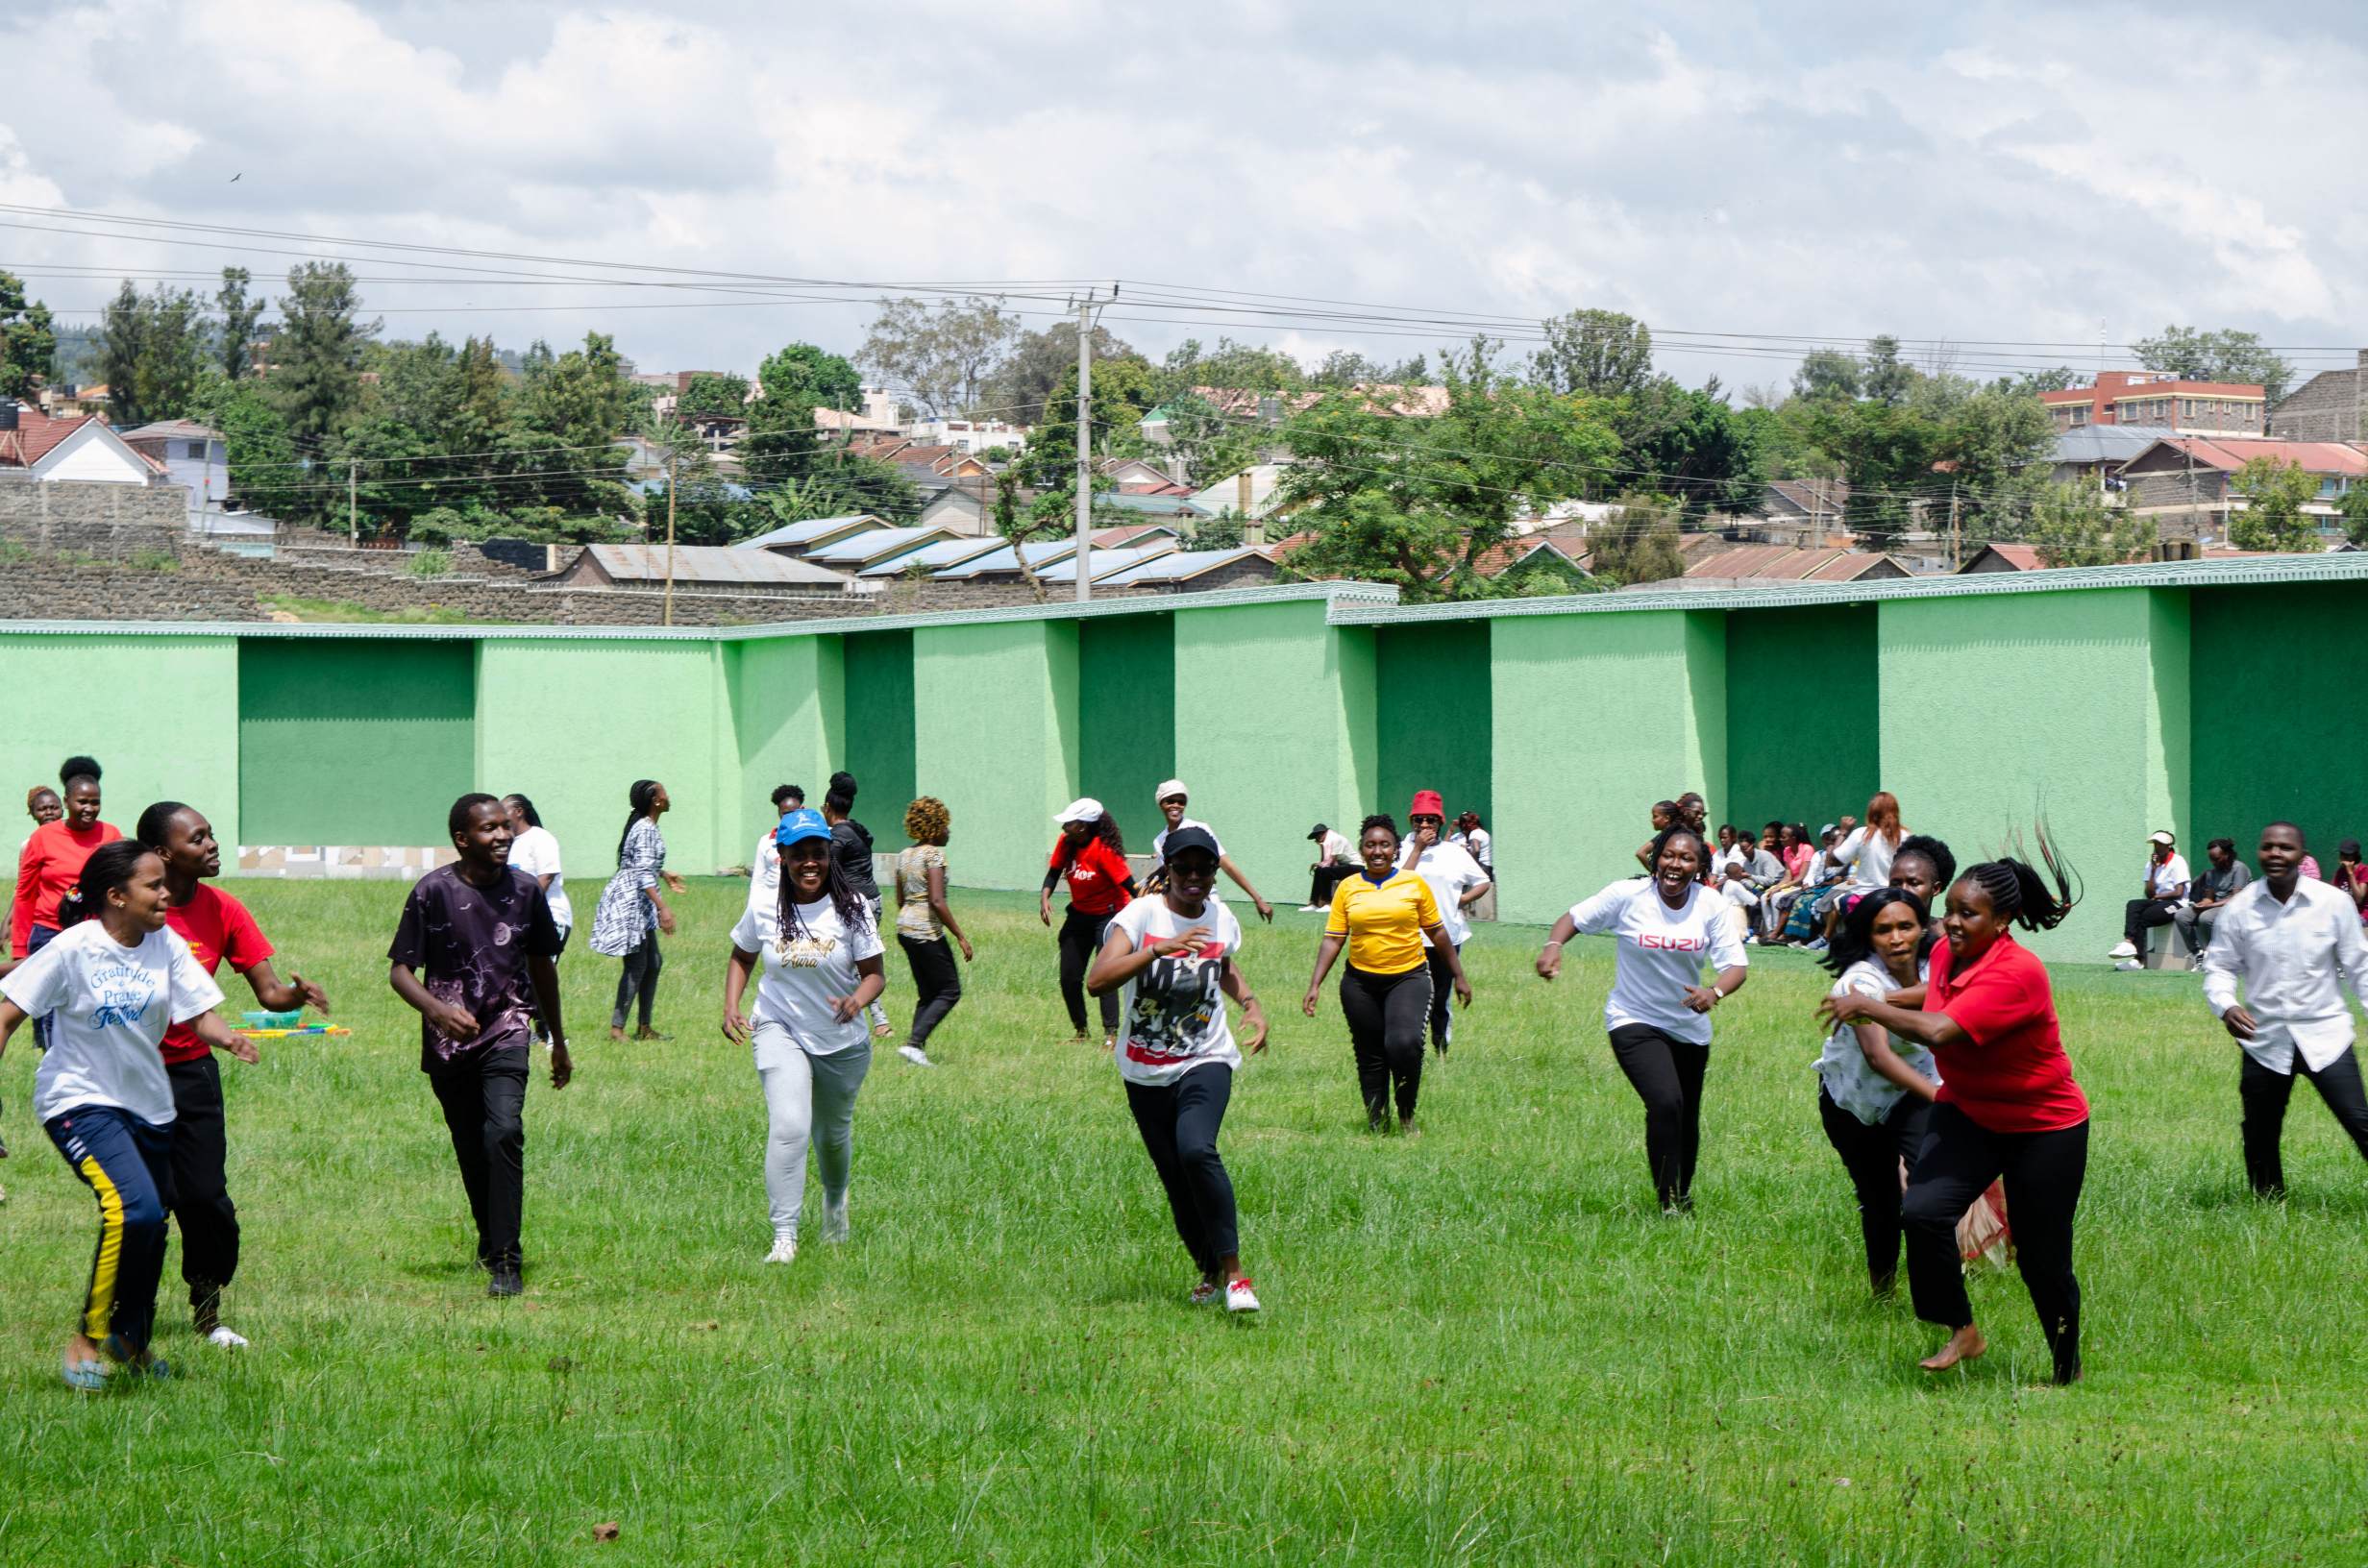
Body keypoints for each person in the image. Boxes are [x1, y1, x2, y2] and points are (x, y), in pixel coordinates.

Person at [1822, 844, 2089, 1384]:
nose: (1952, 922)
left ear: (2003, 920)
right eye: (1952, 910)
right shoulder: (1947, 951)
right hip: (1967, 1110)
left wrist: (1870, 1006)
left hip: (2042, 1126)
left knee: (2041, 1258)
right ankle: (1961, 1328)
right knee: (1921, 1212)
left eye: (1969, 914)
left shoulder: (2018, 972)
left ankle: (2066, 1370)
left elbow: (1943, 1028)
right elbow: (1934, 993)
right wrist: (1889, 1000)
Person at [0, 840, 259, 1386]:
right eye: (154, 885)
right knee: (131, 1212)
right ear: (116, 896)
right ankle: (86, 1342)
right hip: (78, 1101)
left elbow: (198, 1014)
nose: (167, 894)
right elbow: (6, 1017)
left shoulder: (163, 944)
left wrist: (229, 1039)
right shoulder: (74, 948)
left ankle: (132, 1341)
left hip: (151, 1107)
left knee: (151, 1227)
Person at [136, 801, 331, 1350]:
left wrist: (295, 996)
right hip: (128, 1076)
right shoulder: (134, 907)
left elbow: (267, 992)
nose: (211, 845)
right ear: (161, 853)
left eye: (210, 835)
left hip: (191, 1073)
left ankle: (207, 1314)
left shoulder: (224, 909)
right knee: (145, 1205)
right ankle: (132, 1314)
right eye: (197, 838)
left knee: (205, 1199)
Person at [389, 795, 570, 1297]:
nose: (502, 836)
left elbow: (541, 967)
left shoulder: (526, 892)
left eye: (506, 826)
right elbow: (401, 971)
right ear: (462, 840)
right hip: (449, 1040)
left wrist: (554, 1038)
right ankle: (490, 1242)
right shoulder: (433, 891)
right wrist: (437, 1011)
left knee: (504, 1132)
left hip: (509, 1026)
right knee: (471, 1145)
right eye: (489, 829)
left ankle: (508, 1261)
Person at [1086, 824, 1270, 1312]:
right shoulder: (1140, 915)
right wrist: (1155, 949)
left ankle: (1235, 1276)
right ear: (1166, 869)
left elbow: (1222, 962)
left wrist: (1250, 1003)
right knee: (1174, 1177)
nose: (1193, 876)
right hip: (1145, 1070)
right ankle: (1207, 1271)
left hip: (1206, 1056)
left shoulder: (1222, 917)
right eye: (1183, 867)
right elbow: (1097, 980)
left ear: (1214, 874)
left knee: (1196, 1150)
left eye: (1203, 869)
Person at [1537, 823, 1748, 1213]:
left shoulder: (1710, 904)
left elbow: (1736, 965)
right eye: (1668, 855)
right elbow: (1573, 917)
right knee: (1666, 1102)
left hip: (1689, 1025)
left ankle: (1683, 1196)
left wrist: (1713, 992)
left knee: (1687, 1115)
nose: (1675, 864)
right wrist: (1553, 946)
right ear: (1656, 859)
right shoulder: (1627, 895)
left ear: (1699, 866)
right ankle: (1666, 1202)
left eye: (1686, 858)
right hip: (1632, 1018)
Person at [722, 808, 885, 1263]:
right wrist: (732, 1005)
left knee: (831, 1135)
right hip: (779, 1027)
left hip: (841, 1040)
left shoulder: (852, 909)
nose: (809, 862)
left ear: (829, 856)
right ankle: (784, 1236)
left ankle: (835, 1201)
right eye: (799, 855)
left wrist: (857, 1000)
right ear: (783, 857)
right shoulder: (763, 906)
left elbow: (875, 975)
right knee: (790, 1127)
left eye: (818, 853)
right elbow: (742, 956)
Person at [2198, 822, 2368, 1198]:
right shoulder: (2240, 908)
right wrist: (2226, 1006)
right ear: (2258, 852)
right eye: (2268, 847)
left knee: (2360, 1121)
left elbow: (2360, 968)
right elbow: (2220, 967)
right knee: (2259, 1129)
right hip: (2265, 1038)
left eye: (2285, 848)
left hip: (2326, 1036)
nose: (2275, 854)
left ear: (2301, 855)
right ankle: (2268, 1202)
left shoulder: (2333, 904)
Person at [1303, 814, 1471, 1135]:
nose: (1377, 850)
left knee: (1404, 1043)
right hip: (1360, 983)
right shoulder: (1349, 888)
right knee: (1370, 1053)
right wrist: (1315, 984)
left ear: (1396, 850)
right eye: (1370, 844)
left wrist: (1459, 976)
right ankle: (1377, 1121)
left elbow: (1437, 933)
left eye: (1385, 844)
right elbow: (1334, 938)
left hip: (1409, 978)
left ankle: (1406, 1115)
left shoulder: (1413, 884)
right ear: (1362, 850)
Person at [1815, 888, 1940, 1295]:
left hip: (1912, 1089)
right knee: (1880, 1200)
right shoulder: (1858, 980)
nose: (1896, 938)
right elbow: (1878, 1057)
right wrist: (1940, 1098)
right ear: (1869, 937)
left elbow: (1954, 989)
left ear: (1922, 927)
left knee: (1928, 1192)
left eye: (1906, 926)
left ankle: (1936, 1290)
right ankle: (1882, 1291)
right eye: (1883, 930)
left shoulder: (1937, 965)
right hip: (1852, 1098)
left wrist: (1882, 1000)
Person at [13, 756, 122, 987]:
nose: (89, 809)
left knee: (87, 1008)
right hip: (48, 934)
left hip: (95, 934)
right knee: (47, 1012)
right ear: (66, 801)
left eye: (95, 802)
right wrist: (20, 948)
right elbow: (25, 894)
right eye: (82, 801)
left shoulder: (112, 835)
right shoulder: (43, 837)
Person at [1398, 790, 1492, 1056]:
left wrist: (1460, 900)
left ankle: (1440, 1047)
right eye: (1418, 819)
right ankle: (1410, 1048)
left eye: (1430, 820)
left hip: (1445, 937)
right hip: (1406, 936)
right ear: (1411, 821)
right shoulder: (1401, 849)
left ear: (1440, 821)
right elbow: (1398, 883)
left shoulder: (1455, 853)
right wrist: (1418, 848)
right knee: (1408, 997)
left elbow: (1483, 881)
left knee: (1439, 998)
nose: (1424, 825)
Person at [588, 779, 682, 1043]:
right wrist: (663, 907)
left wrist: (663, 873)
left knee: (653, 963)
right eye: (664, 792)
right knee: (637, 965)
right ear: (656, 800)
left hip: (640, 901)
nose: (668, 795)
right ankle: (617, 1029)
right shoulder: (645, 828)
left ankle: (644, 1027)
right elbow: (640, 873)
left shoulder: (648, 826)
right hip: (632, 903)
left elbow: (642, 864)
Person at [1042, 799, 1137, 1046]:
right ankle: (1081, 1030)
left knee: (1104, 974)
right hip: (1080, 915)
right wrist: (1045, 897)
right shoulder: (1067, 843)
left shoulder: (1103, 851)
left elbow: (1131, 886)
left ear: (1083, 826)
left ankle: (1111, 1035)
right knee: (1069, 976)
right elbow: (1053, 872)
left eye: (1069, 823)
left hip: (1109, 915)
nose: (1064, 827)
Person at [893, 796, 972, 1067]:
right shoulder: (934, 855)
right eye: (946, 826)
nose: (949, 831)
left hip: (904, 927)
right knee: (950, 990)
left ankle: (916, 1051)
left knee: (927, 992)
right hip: (925, 930)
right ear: (936, 828)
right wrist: (960, 935)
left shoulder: (904, 855)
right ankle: (914, 1044)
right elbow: (937, 900)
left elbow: (901, 900)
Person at [823, 774, 893, 1040]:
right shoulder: (858, 830)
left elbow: (829, 870)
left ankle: (879, 1022)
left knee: (852, 966)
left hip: (855, 904)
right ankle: (878, 1021)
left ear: (828, 807)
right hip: (873, 901)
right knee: (859, 962)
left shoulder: (837, 837)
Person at [1147, 781, 1273, 922]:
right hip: (1179, 905)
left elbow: (1227, 865)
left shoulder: (1200, 829)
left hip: (1207, 901)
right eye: (1170, 801)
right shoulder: (1159, 841)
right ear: (1161, 804)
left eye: (1181, 802)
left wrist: (1258, 899)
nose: (1176, 806)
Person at [2109, 830, 2189, 968]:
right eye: (2155, 844)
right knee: (2133, 905)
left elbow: (2179, 892)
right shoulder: (2151, 864)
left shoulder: (2178, 861)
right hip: (2159, 902)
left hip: (2177, 904)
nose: (2156, 847)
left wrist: (2158, 896)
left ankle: (2139, 960)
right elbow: (2149, 893)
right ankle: (2128, 942)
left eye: (2160, 844)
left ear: (2168, 846)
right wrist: (2153, 870)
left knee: (2145, 917)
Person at [2174, 838, 2252, 955]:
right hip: (2216, 907)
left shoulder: (2239, 868)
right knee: (2181, 915)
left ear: (2227, 854)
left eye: (2216, 859)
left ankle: (2215, 953)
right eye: (2211, 859)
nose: (2213, 862)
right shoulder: (2212, 873)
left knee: (2206, 918)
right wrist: (2201, 904)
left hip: (2236, 908)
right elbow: (2208, 898)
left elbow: (2237, 899)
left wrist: (2208, 906)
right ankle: (2197, 953)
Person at [746, 782, 806, 917]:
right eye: (785, 814)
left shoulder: (810, 840)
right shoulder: (766, 842)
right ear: (779, 812)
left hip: (803, 908)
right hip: (772, 908)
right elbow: (758, 881)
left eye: (793, 813)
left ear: (802, 809)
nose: (789, 818)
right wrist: (752, 909)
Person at [1833, 791, 1907, 892]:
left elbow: (1834, 861)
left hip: (1864, 897)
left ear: (1871, 812)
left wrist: (1843, 832)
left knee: (1834, 902)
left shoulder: (1861, 834)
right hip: (1894, 895)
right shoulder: (1906, 836)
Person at [1888, 834, 1958, 910]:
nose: (1903, 890)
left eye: (1913, 883)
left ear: (1935, 888)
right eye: (1895, 884)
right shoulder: (1876, 920)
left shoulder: (1949, 922)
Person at [1303, 823, 1356, 912]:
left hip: (1355, 866)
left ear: (1323, 833)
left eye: (1317, 836)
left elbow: (1331, 862)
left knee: (1325, 871)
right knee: (1319, 870)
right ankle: (1314, 903)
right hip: (1344, 865)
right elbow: (1325, 861)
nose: (1316, 839)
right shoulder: (1326, 842)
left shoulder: (1335, 839)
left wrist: (1320, 864)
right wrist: (1321, 846)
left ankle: (1328, 903)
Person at [1451, 811, 1493, 882]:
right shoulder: (1482, 833)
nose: (1463, 826)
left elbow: (1476, 850)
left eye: (1464, 823)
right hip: (1488, 869)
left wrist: (1472, 866)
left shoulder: (1474, 833)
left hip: (1482, 868)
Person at [21, 784, 62, 853]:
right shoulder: (29, 845)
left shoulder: (73, 838)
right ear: (33, 814)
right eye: (42, 809)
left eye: (54, 808)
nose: (49, 812)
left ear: (62, 810)